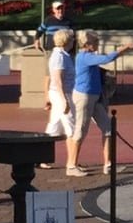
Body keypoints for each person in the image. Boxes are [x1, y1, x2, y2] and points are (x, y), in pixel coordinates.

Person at [65, 30, 127, 177]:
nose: (98, 44)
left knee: (108, 128)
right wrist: (124, 48)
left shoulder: (89, 57)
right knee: (80, 130)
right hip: (84, 96)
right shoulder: (84, 57)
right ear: (87, 44)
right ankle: (71, 165)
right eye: (95, 42)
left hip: (95, 96)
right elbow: (106, 59)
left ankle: (108, 164)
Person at [43, 28, 74, 161]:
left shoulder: (62, 55)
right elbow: (57, 78)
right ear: (67, 41)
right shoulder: (59, 57)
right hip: (62, 93)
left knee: (54, 126)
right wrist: (64, 100)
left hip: (60, 93)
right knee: (71, 126)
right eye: (72, 39)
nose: (74, 41)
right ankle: (72, 162)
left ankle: (41, 158)